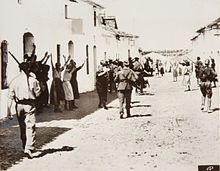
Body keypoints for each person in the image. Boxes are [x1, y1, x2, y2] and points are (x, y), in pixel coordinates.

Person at [7, 62, 41, 159]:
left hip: (18, 106)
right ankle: (29, 148)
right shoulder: (33, 80)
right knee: (30, 126)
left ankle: (24, 145)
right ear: (29, 69)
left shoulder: (14, 81)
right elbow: (38, 94)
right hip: (29, 104)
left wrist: (8, 111)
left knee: (22, 126)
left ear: (19, 69)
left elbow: (10, 97)